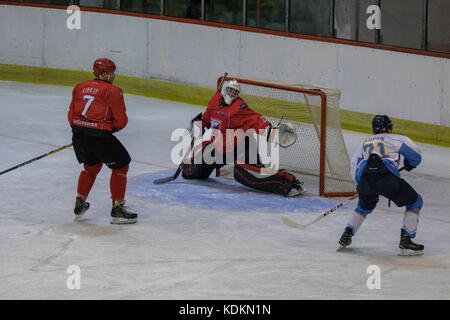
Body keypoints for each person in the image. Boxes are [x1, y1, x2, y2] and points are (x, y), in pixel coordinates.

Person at [181, 79, 304, 197]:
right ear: (224, 89)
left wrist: (273, 133)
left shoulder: (239, 107)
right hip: (220, 147)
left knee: (243, 175)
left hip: (241, 146)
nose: (231, 93)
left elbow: (255, 119)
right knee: (192, 170)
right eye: (229, 90)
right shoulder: (215, 99)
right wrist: (199, 125)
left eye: (234, 92)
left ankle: (287, 183)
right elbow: (207, 119)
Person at [338, 115, 423, 256]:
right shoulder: (394, 138)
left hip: (365, 180)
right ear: (389, 127)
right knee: (415, 202)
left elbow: (354, 166)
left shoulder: (364, 143)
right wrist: (410, 164)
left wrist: (364, 184)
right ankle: (406, 241)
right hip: (387, 180)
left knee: (364, 207)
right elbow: (416, 154)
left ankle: (347, 234)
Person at [68, 58, 137, 224]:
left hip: (79, 135)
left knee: (90, 167)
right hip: (100, 137)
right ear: (104, 74)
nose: (113, 76)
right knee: (121, 166)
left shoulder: (79, 86)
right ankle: (118, 208)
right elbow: (121, 120)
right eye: (111, 73)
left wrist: (82, 130)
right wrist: (110, 129)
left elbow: (71, 115)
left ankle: (80, 202)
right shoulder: (113, 91)